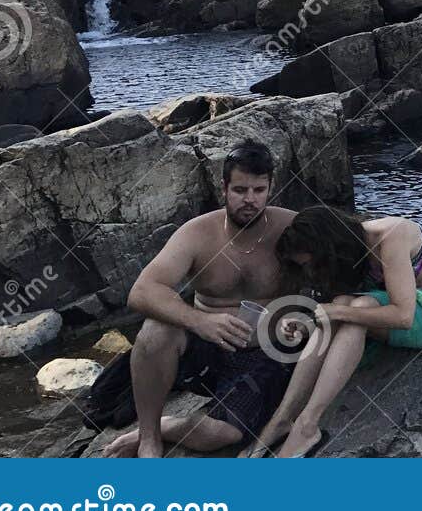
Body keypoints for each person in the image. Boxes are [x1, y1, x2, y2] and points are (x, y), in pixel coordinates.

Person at [238, 207, 422, 458]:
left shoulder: (391, 238)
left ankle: (308, 425)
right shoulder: (353, 249)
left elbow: (403, 316)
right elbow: (338, 306)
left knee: (356, 308)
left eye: (314, 265)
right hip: (395, 311)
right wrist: (310, 322)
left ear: (331, 248)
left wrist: (334, 312)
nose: (313, 273)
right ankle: (281, 419)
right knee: (345, 302)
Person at [101, 142, 298, 457]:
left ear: (271, 187)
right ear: (224, 188)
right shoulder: (197, 233)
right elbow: (142, 291)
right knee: (156, 330)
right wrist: (200, 320)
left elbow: (335, 271)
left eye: (259, 190)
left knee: (218, 436)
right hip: (207, 349)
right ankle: (149, 438)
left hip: (261, 355)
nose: (250, 200)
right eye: (240, 190)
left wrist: (298, 315)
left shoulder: (290, 227)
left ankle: (166, 427)